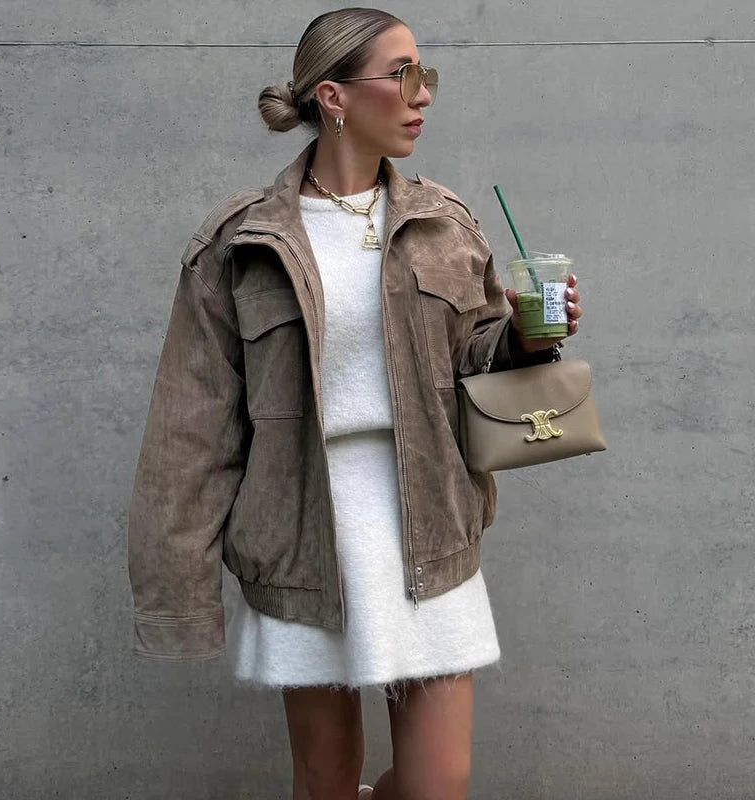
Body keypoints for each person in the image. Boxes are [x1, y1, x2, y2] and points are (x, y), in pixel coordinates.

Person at [127, 7, 583, 800]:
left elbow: (476, 361)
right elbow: (190, 428)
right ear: (333, 97)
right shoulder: (242, 242)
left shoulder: (444, 223)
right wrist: (180, 595)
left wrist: (525, 338)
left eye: (424, 74)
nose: (423, 94)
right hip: (302, 535)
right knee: (327, 780)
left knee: (438, 782)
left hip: (431, 526)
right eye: (402, 75)